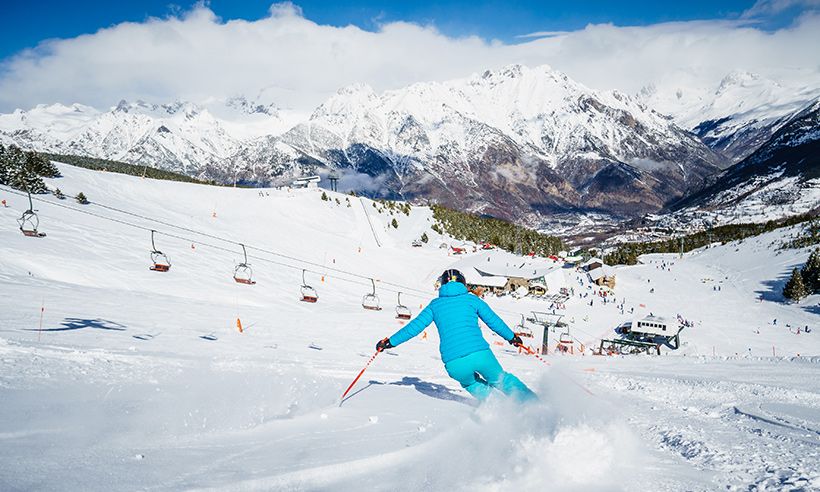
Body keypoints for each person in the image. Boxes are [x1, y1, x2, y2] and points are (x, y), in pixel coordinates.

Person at [375, 269, 537, 403]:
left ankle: (497, 408)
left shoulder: (435, 305)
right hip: (480, 354)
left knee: (471, 383)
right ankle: (532, 405)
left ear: (442, 285)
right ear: (463, 284)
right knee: (501, 380)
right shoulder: (472, 300)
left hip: (454, 363)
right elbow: (493, 321)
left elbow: (414, 327)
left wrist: (390, 342)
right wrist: (511, 337)